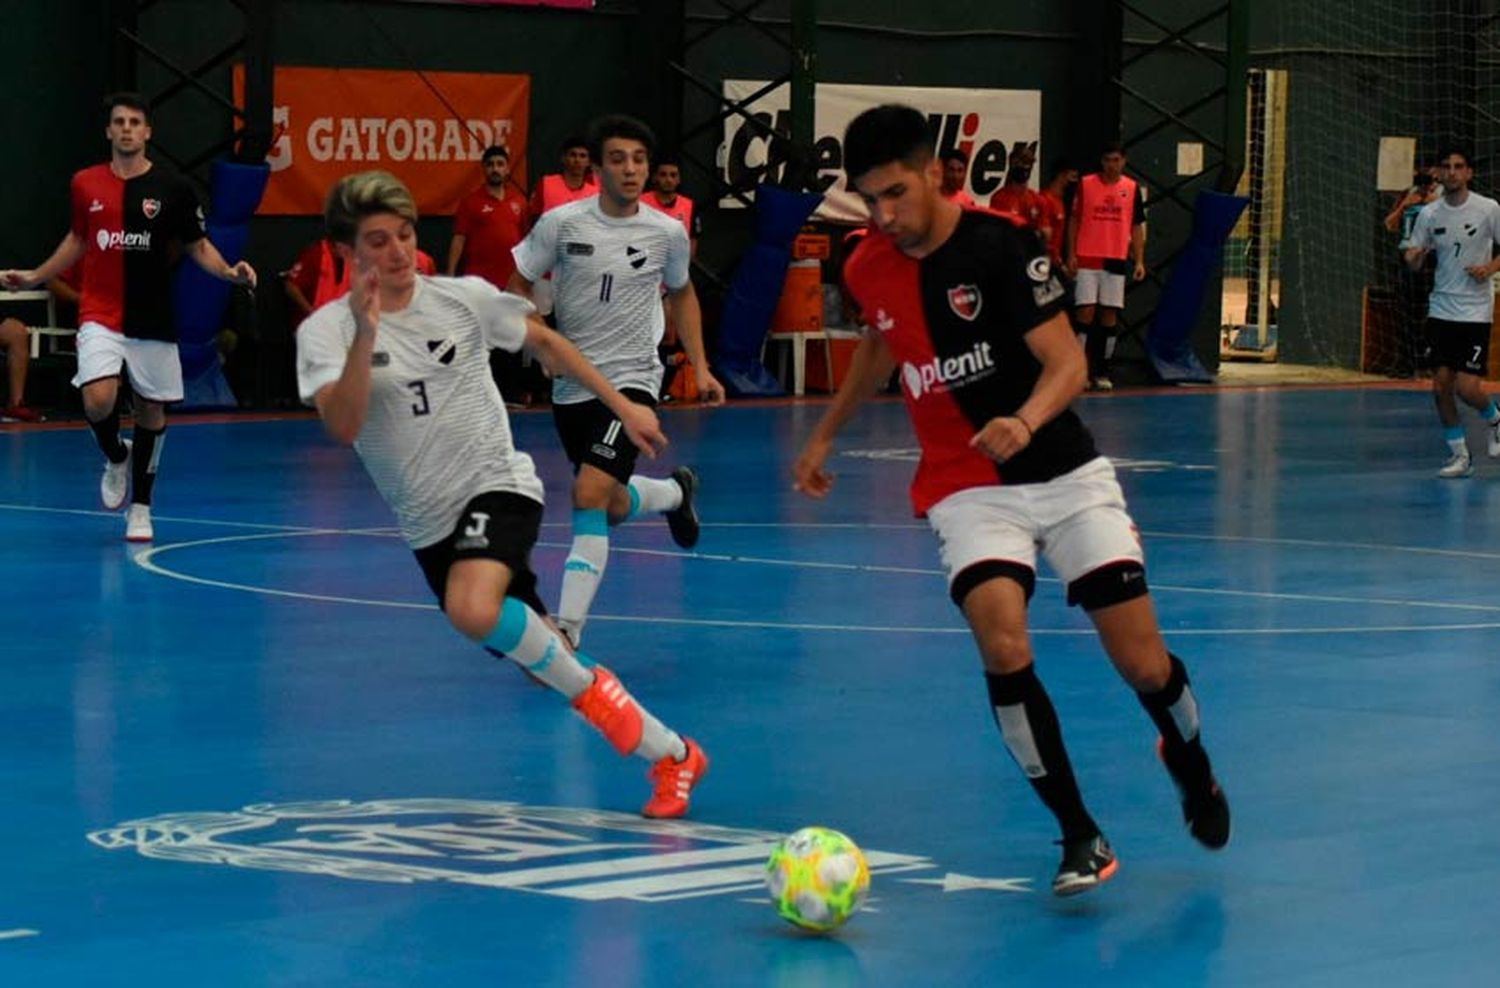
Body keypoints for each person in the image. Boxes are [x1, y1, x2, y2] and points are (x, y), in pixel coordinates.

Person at [792, 104, 1229, 897]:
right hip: (965, 487)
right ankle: (1079, 834)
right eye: (869, 200)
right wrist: (827, 432)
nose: (885, 215)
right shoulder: (865, 264)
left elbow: (1067, 364)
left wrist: (1022, 420)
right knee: (1003, 647)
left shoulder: (1002, 244)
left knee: (1141, 662)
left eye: (895, 194)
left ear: (934, 173)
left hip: (1061, 470)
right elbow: (883, 339)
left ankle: (1189, 757)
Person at [297, 169, 709, 818]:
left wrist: (623, 408)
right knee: (546, 661)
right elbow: (343, 424)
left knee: (470, 605)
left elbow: (545, 341)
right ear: (344, 253)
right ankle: (674, 754)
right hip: (431, 528)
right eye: (378, 242)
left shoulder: (460, 298)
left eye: (405, 235)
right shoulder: (323, 335)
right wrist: (366, 333)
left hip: (499, 487)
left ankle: (659, 743)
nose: (399, 252)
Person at [508, 114, 725, 647]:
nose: (629, 169)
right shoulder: (562, 224)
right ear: (598, 169)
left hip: (633, 384)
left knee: (587, 494)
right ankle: (675, 493)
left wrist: (700, 365)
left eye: (638, 160)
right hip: (573, 386)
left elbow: (683, 294)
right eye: (618, 159)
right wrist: (536, 334)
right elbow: (516, 285)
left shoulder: (666, 233)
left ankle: (568, 630)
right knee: (609, 502)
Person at [0, 92, 256, 541]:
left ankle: (141, 506)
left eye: (135, 122)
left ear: (147, 132)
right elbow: (78, 240)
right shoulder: (85, 183)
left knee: (151, 409)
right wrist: (35, 276)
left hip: (153, 315)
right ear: (109, 131)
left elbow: (197, 245)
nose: (126, 129)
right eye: (119, 122)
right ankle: (116, 455)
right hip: (100, 312)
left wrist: (230, 272)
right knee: (97, 400)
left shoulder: (173, 189)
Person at [1402, 147, 1500, 478]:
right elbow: (1413, 259)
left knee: (1467, 388)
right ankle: (1460, 455)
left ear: (1469, 173)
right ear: (1439, 173)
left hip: (1474, 311)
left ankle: (1495, 418)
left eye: (1460, 167)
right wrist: (1414, 257)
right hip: (1441, 308)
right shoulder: (1429, 215)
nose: (1453, 172)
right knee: (1440, 385)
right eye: (1447, 167)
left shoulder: (1488, 209)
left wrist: (1488, 268)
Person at [447, 145, 538, 405]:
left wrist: (527, 276)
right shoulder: (471, 202)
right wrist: (452, 276)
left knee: (510, 337)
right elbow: (458, 240)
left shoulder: (519, 202)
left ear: (508, 168)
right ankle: (479, 394)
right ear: (483, 169)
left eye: (500, 164)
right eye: (490, 164)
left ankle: (509, 393)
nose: (495, 169)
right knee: (481, 339)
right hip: (479, 284)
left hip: (511, 283)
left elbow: (527, 242)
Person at [1065, 142, 1146, 391]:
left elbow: (1136, 227)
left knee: (1109, 316)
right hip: (1088, 257)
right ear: (1102, 162)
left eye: (1117, 160)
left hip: (1115, 258)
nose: (1112, 165)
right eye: (1108, 160)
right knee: (1084, 314)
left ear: (1124, 161)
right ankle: (1077, 372)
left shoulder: (1131, 189)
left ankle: (1102, 370)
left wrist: (1139, 260)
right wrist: (1071, 254)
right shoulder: (1087, 184)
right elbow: (1074, 220)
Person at [987, 142, 1048, 242]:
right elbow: (995, 230)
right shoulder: (999, 198)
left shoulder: (1038, 200)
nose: (1023, 166)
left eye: (1026, 163)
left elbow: (1046, 232)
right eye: (1018, 163)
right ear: (1011, 165)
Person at [642, 156, 701, 258]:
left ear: (679, 179)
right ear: (654, 177)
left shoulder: (689, 205)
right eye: (663, 175)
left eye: (673, 175)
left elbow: (693, 239)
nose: (668, 180)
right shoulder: (640, 202)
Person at [1038, 159, 1080, 266]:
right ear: (1061, 176)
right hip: (1046, 260)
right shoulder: (1044, 199)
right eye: (1072, 177)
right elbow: (1043, 235)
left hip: (1057, 260)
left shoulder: (1061, 201)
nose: (1075, 182)